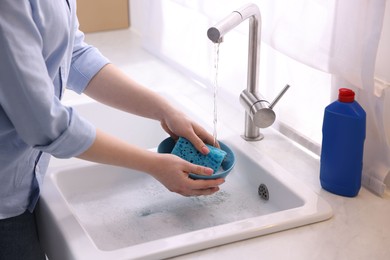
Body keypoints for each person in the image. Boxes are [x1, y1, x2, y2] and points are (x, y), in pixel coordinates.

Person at [0, 1, 224, 259]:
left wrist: (165, 110)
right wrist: (153, 164)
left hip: (22, 185)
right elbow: (45, 124)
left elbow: (73, 55)